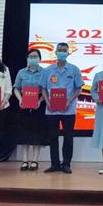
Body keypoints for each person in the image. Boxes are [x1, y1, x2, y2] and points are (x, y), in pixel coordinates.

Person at [40, 42, 84, 174]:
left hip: (68, 110)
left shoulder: (74, 69)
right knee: (53, 137)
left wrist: (69, 101)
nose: (62, 52)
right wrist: (47, 102)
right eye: (59, 50)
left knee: (68, 137)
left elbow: (79, 89)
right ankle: (54, 164)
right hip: (51, 110)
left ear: (68, 53)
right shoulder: (48, 70)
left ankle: (66, 164)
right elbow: (43, 88)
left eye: (64, 50)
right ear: (55, 52)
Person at [13, 48, 48, 171]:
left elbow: (46, 89)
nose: (33, 59)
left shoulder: (44, 72)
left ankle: (35, 160)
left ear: (40, 59)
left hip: (39, 103)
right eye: (31, 56)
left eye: (35, 56)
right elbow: (16, 88)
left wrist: (40, 101)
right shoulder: (21, 72)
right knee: (25, 132)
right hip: (24, 103)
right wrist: (20, 100)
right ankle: (25, 160)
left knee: (37, 132)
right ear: (27, 58)